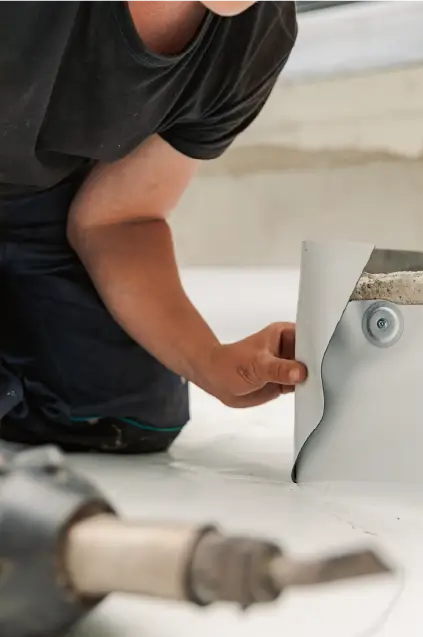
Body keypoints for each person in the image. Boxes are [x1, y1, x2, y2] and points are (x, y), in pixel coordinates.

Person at [0, 0, 307, 454]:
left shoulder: (254, 35)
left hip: (32, 199)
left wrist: (210, 360)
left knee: (125, 413)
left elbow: (119, 218)